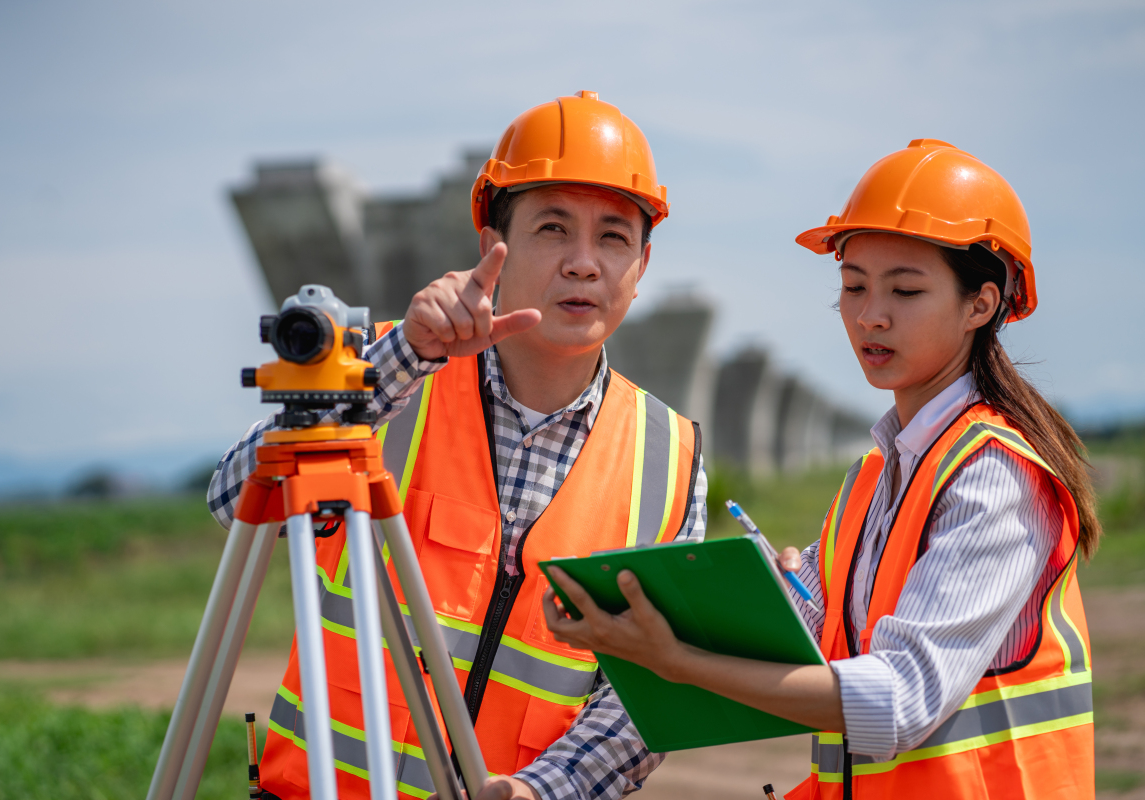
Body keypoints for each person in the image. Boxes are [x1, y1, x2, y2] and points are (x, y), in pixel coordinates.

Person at [543, 139, 1099, 799]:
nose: (871, 315)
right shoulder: (877, 477)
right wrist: (646, 613)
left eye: (906, 289)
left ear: (981, 304)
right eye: (854, 286)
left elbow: (897, 703)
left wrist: (681, 661)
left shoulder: (997, 478)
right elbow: (807, 619)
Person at [207, 91, 708, 800]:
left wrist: (541, 792)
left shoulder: (669, 460)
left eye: (614, 237)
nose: (584, 263)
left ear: (643, 265)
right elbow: (232, 497)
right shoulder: (395, 372)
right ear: (491, 247)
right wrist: (405, 354)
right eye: (553, 228)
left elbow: (643, 695)